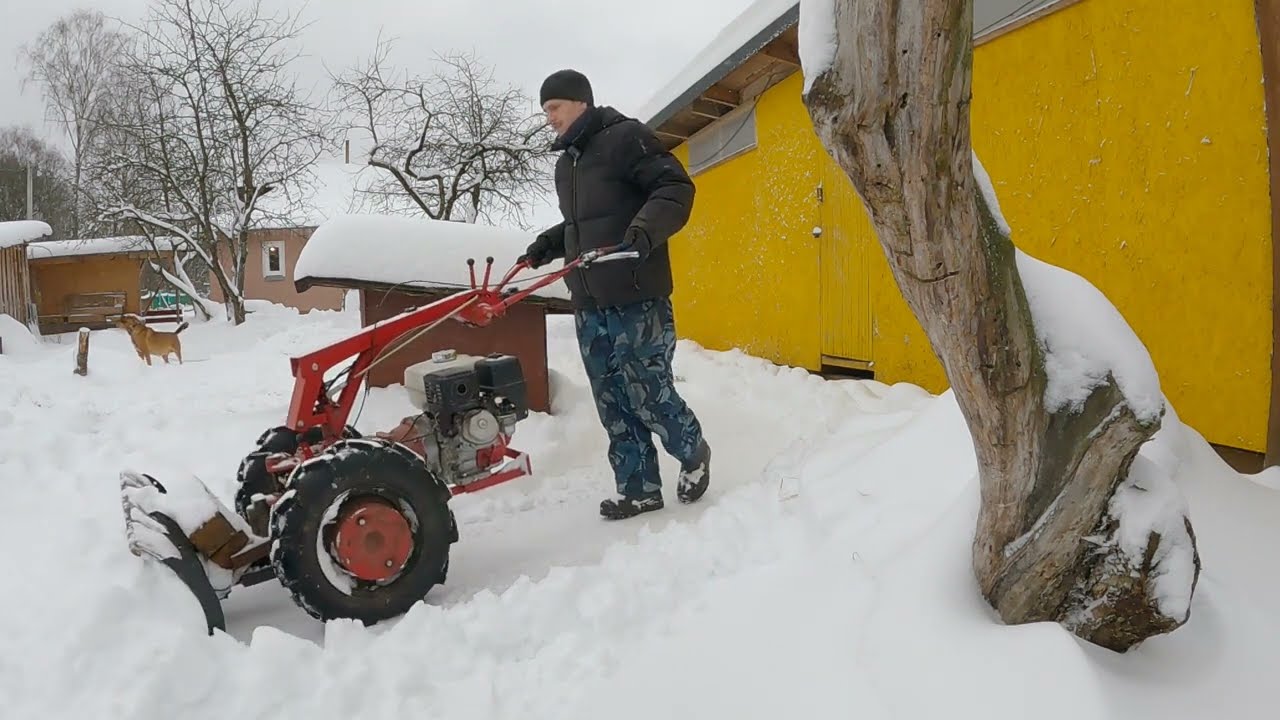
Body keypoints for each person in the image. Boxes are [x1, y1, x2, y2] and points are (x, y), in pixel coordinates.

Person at [520, 68, 711, 520]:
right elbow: (582, 224)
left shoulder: (626, 137)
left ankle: (692, 450)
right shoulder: (567, 163)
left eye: (554, 108)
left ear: (579, 102)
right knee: (613, 400)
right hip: (589, 302)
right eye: (545, 110)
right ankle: (639, 488)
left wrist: (644, 232)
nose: (549, 118)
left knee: (647, 391)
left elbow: (674, 188)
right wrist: (551, 243)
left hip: (635, 292)